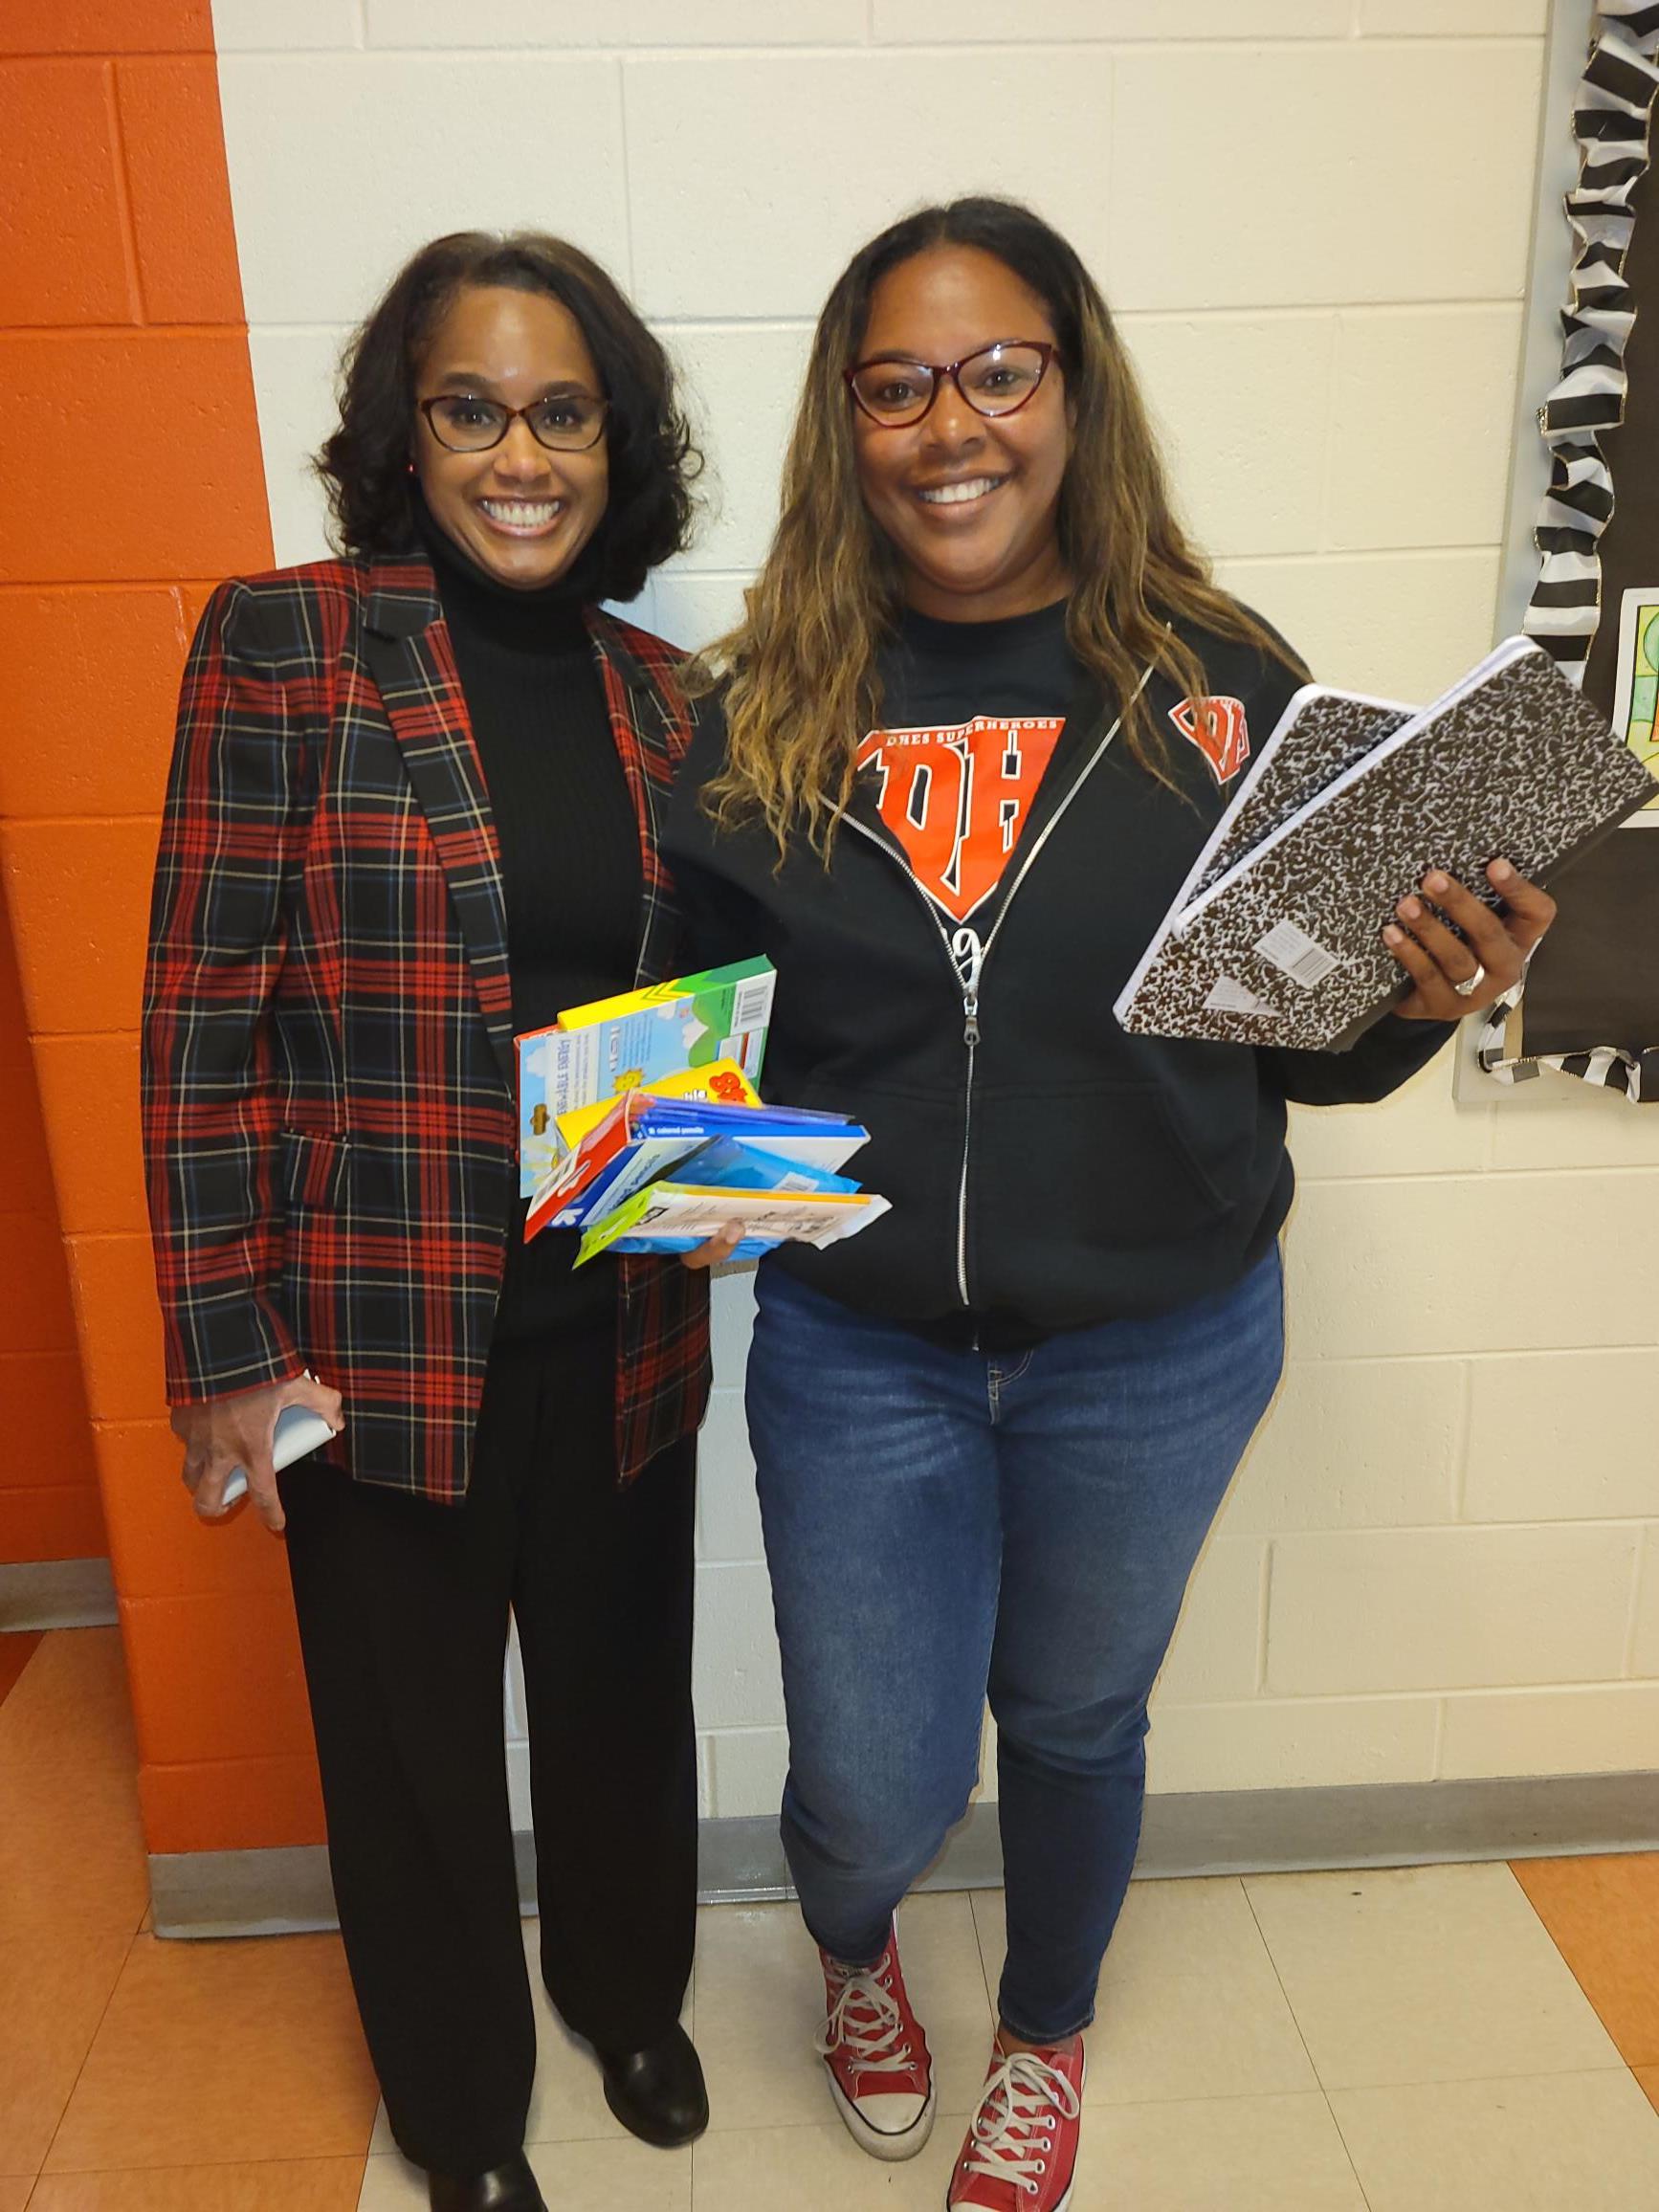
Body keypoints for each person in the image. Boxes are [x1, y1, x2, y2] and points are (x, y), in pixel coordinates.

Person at [664, 197, 1557, 2211]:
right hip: (862, 1354)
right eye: (894, 384)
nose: (948, 423)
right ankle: (854, 1945)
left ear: (1074, 394)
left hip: (1160, 1344)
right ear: (844, 420)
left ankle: (1044, 2035)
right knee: (872, 1782)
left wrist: (1428, 998)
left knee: (1077, 1720)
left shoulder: (1224, 684)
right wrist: (666, 1158)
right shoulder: (754, 708)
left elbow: (1303, 1049)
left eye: (999, 372)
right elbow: (691, 1041)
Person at [143, 232, 714, 2212]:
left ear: (615, 444)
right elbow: (198, 1023)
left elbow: (689, 1008)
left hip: (622, 1320)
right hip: (367, 1345)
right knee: (412, 1757)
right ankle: (461, 2109)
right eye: (470, 412)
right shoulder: (286, 646)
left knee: (623, 1709)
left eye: (562, 414)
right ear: (407, 433)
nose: (519, 457)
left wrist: (741, 1168)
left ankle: (628, 1998)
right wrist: (227, 1353)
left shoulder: (668, 697)